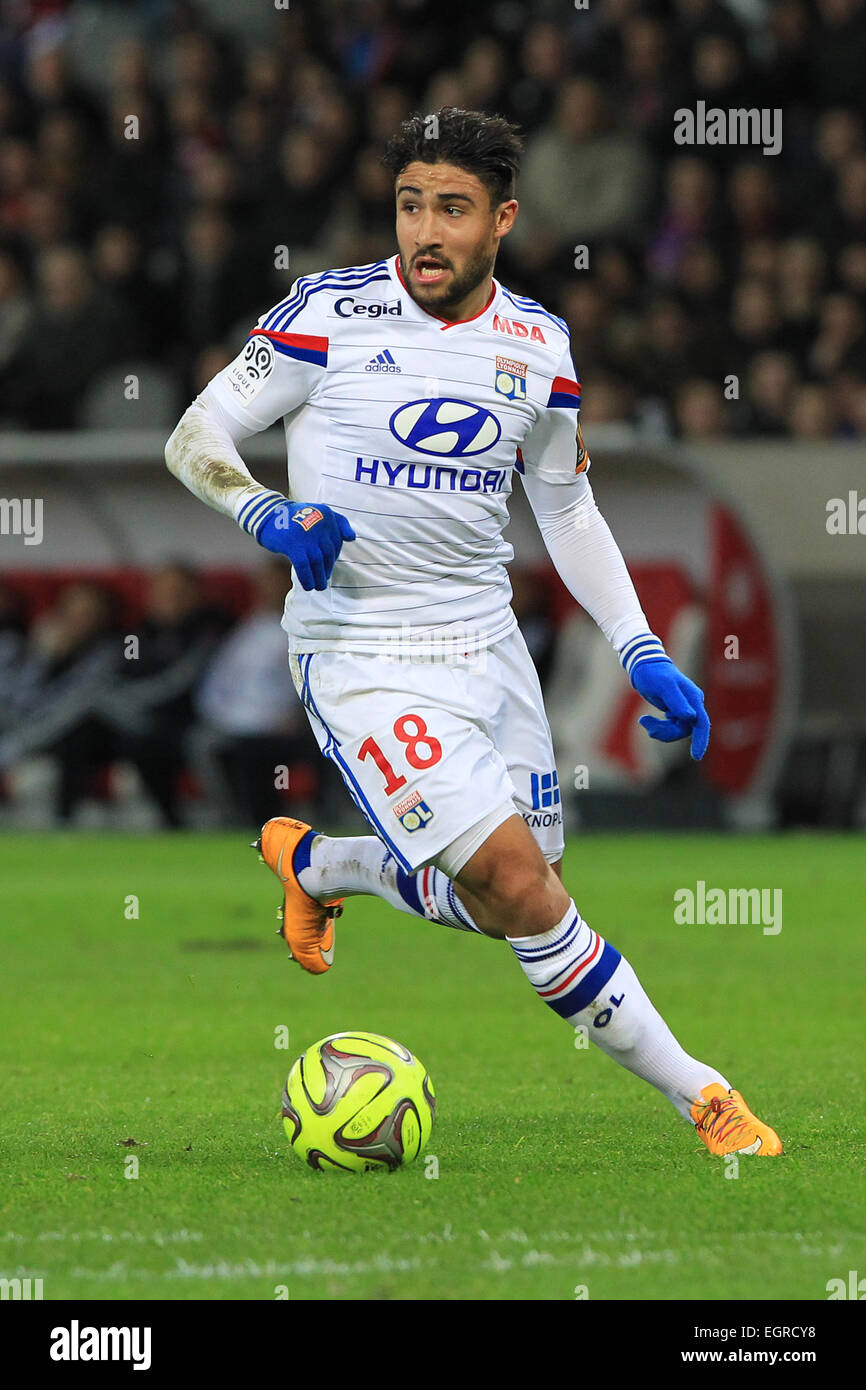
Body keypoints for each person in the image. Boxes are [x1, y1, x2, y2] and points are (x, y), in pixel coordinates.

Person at [165, 106, 782, 1160]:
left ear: (500, 218)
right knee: (520, 890)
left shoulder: (537, 345)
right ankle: (706, 1097)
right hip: (361, 655)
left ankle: (321, 867)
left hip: (486, 651)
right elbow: (197, 430)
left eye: (450, 208)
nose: (424, 232)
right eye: (409, 205)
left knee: (513, 898)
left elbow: (565, 506)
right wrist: (266, 510)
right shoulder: (327, 315)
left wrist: (636, 647)